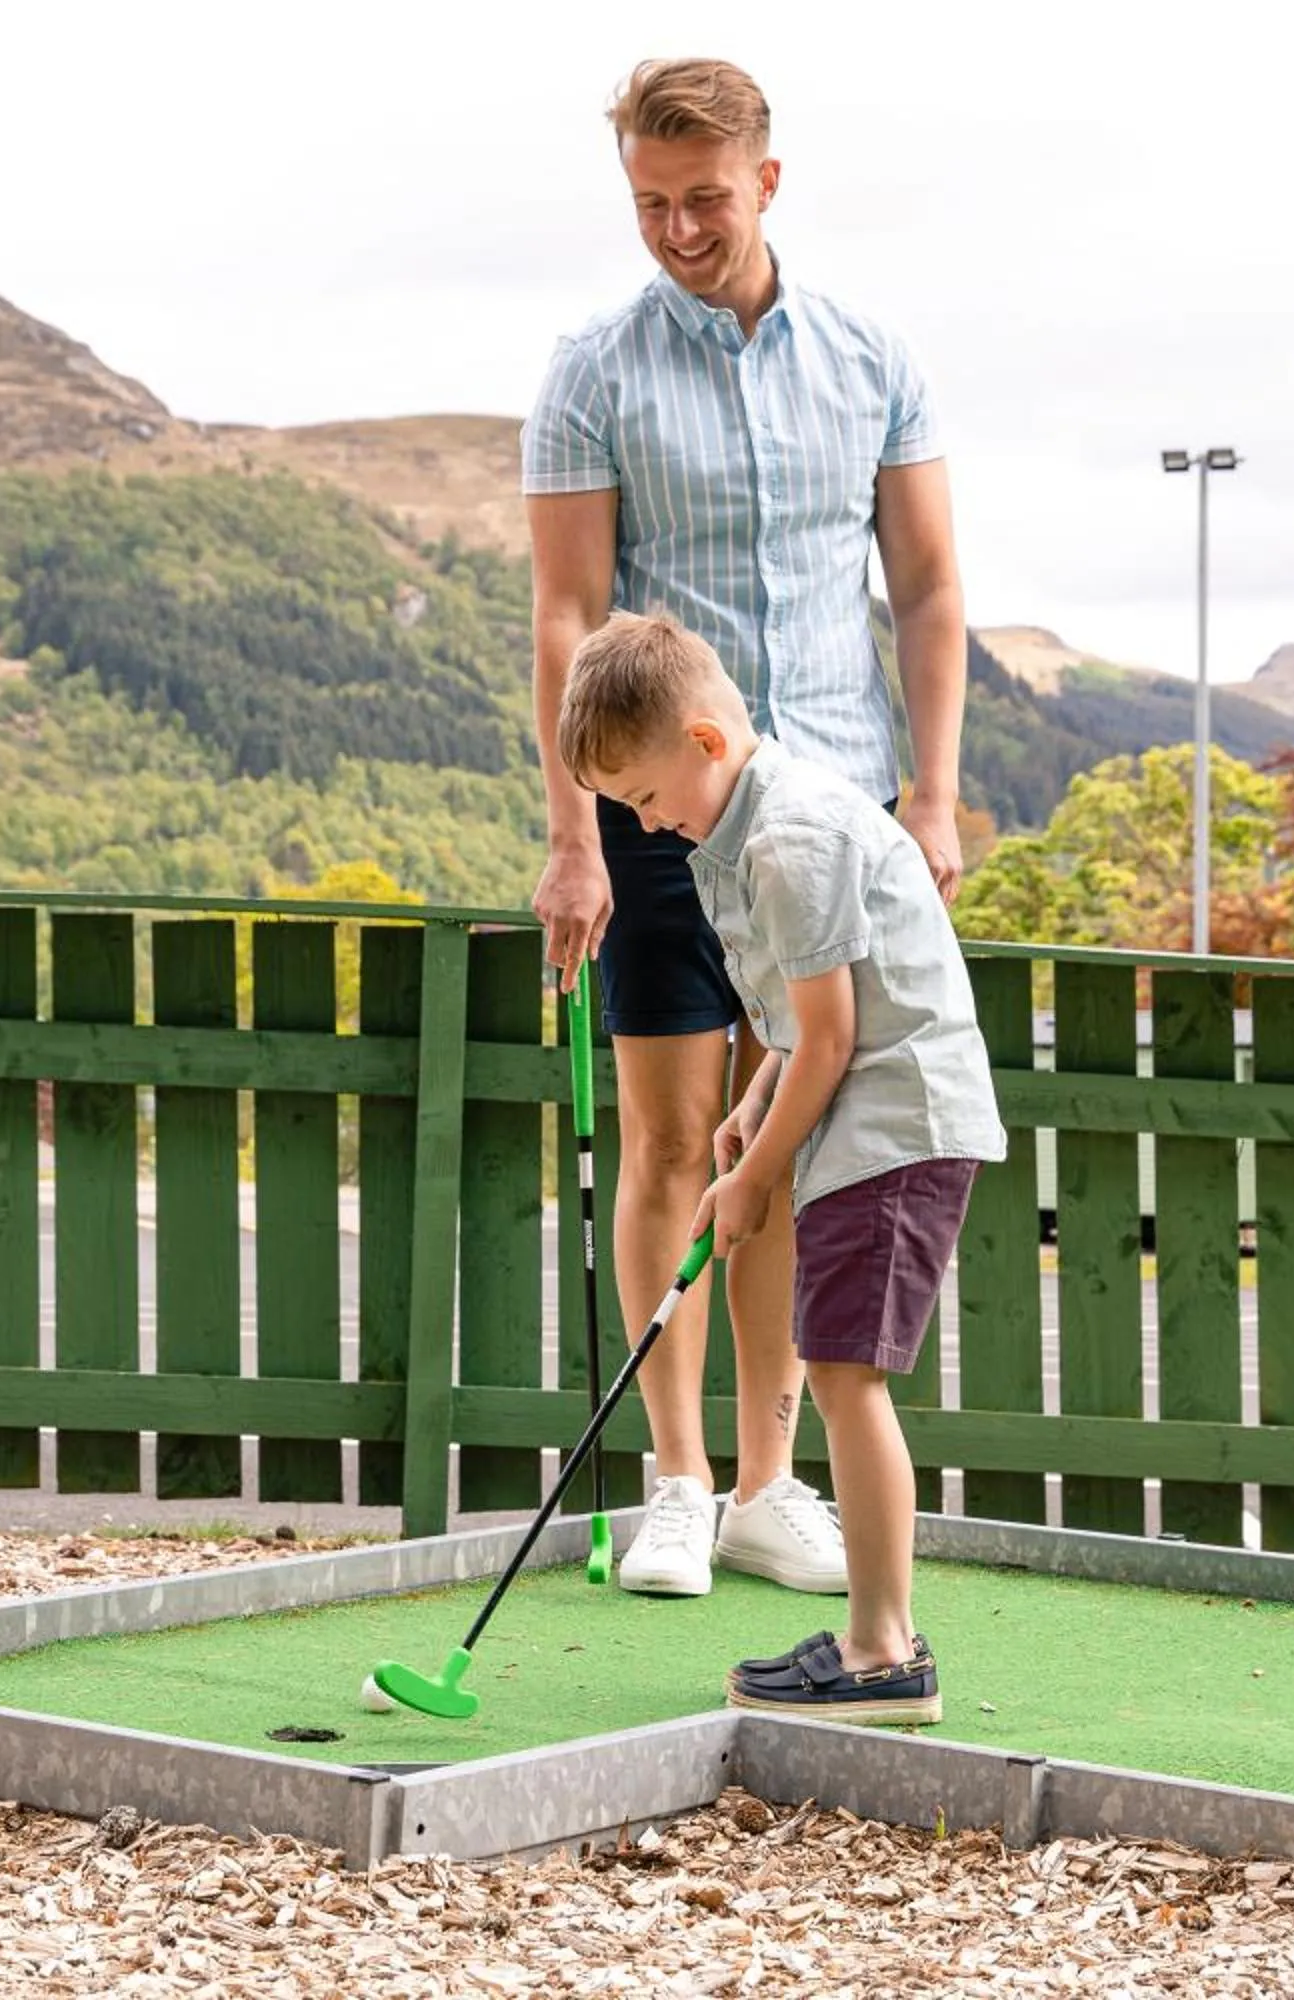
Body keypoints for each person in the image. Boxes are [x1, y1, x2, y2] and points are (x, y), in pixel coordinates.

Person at [523, 56, 976, 1600]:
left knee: (793, 1148)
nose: (677, 230)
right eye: (650, 204)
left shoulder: (873, 360)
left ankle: (775, 1486)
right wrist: (580, 831)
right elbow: (569, 615)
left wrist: (933, 792)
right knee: (667, 1140)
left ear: (767, 181)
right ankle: (674, 1481)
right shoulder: (593, 371)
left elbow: (923, 590)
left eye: (703, 199)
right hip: (666, 813)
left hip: (833, 815)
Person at [559, 612, 1001, 1723]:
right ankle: (877, 1635)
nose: (645, 825)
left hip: (896, 1123)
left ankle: (883, 1650)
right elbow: (799, 1027)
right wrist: (750, 1104)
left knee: (849, 1377)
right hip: (868, 1118)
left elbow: (839, 1037)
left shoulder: (787, 841)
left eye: (647, 800)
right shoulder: (741, 828)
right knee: (844, 1366)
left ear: (707, 742)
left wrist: (757, 1171)